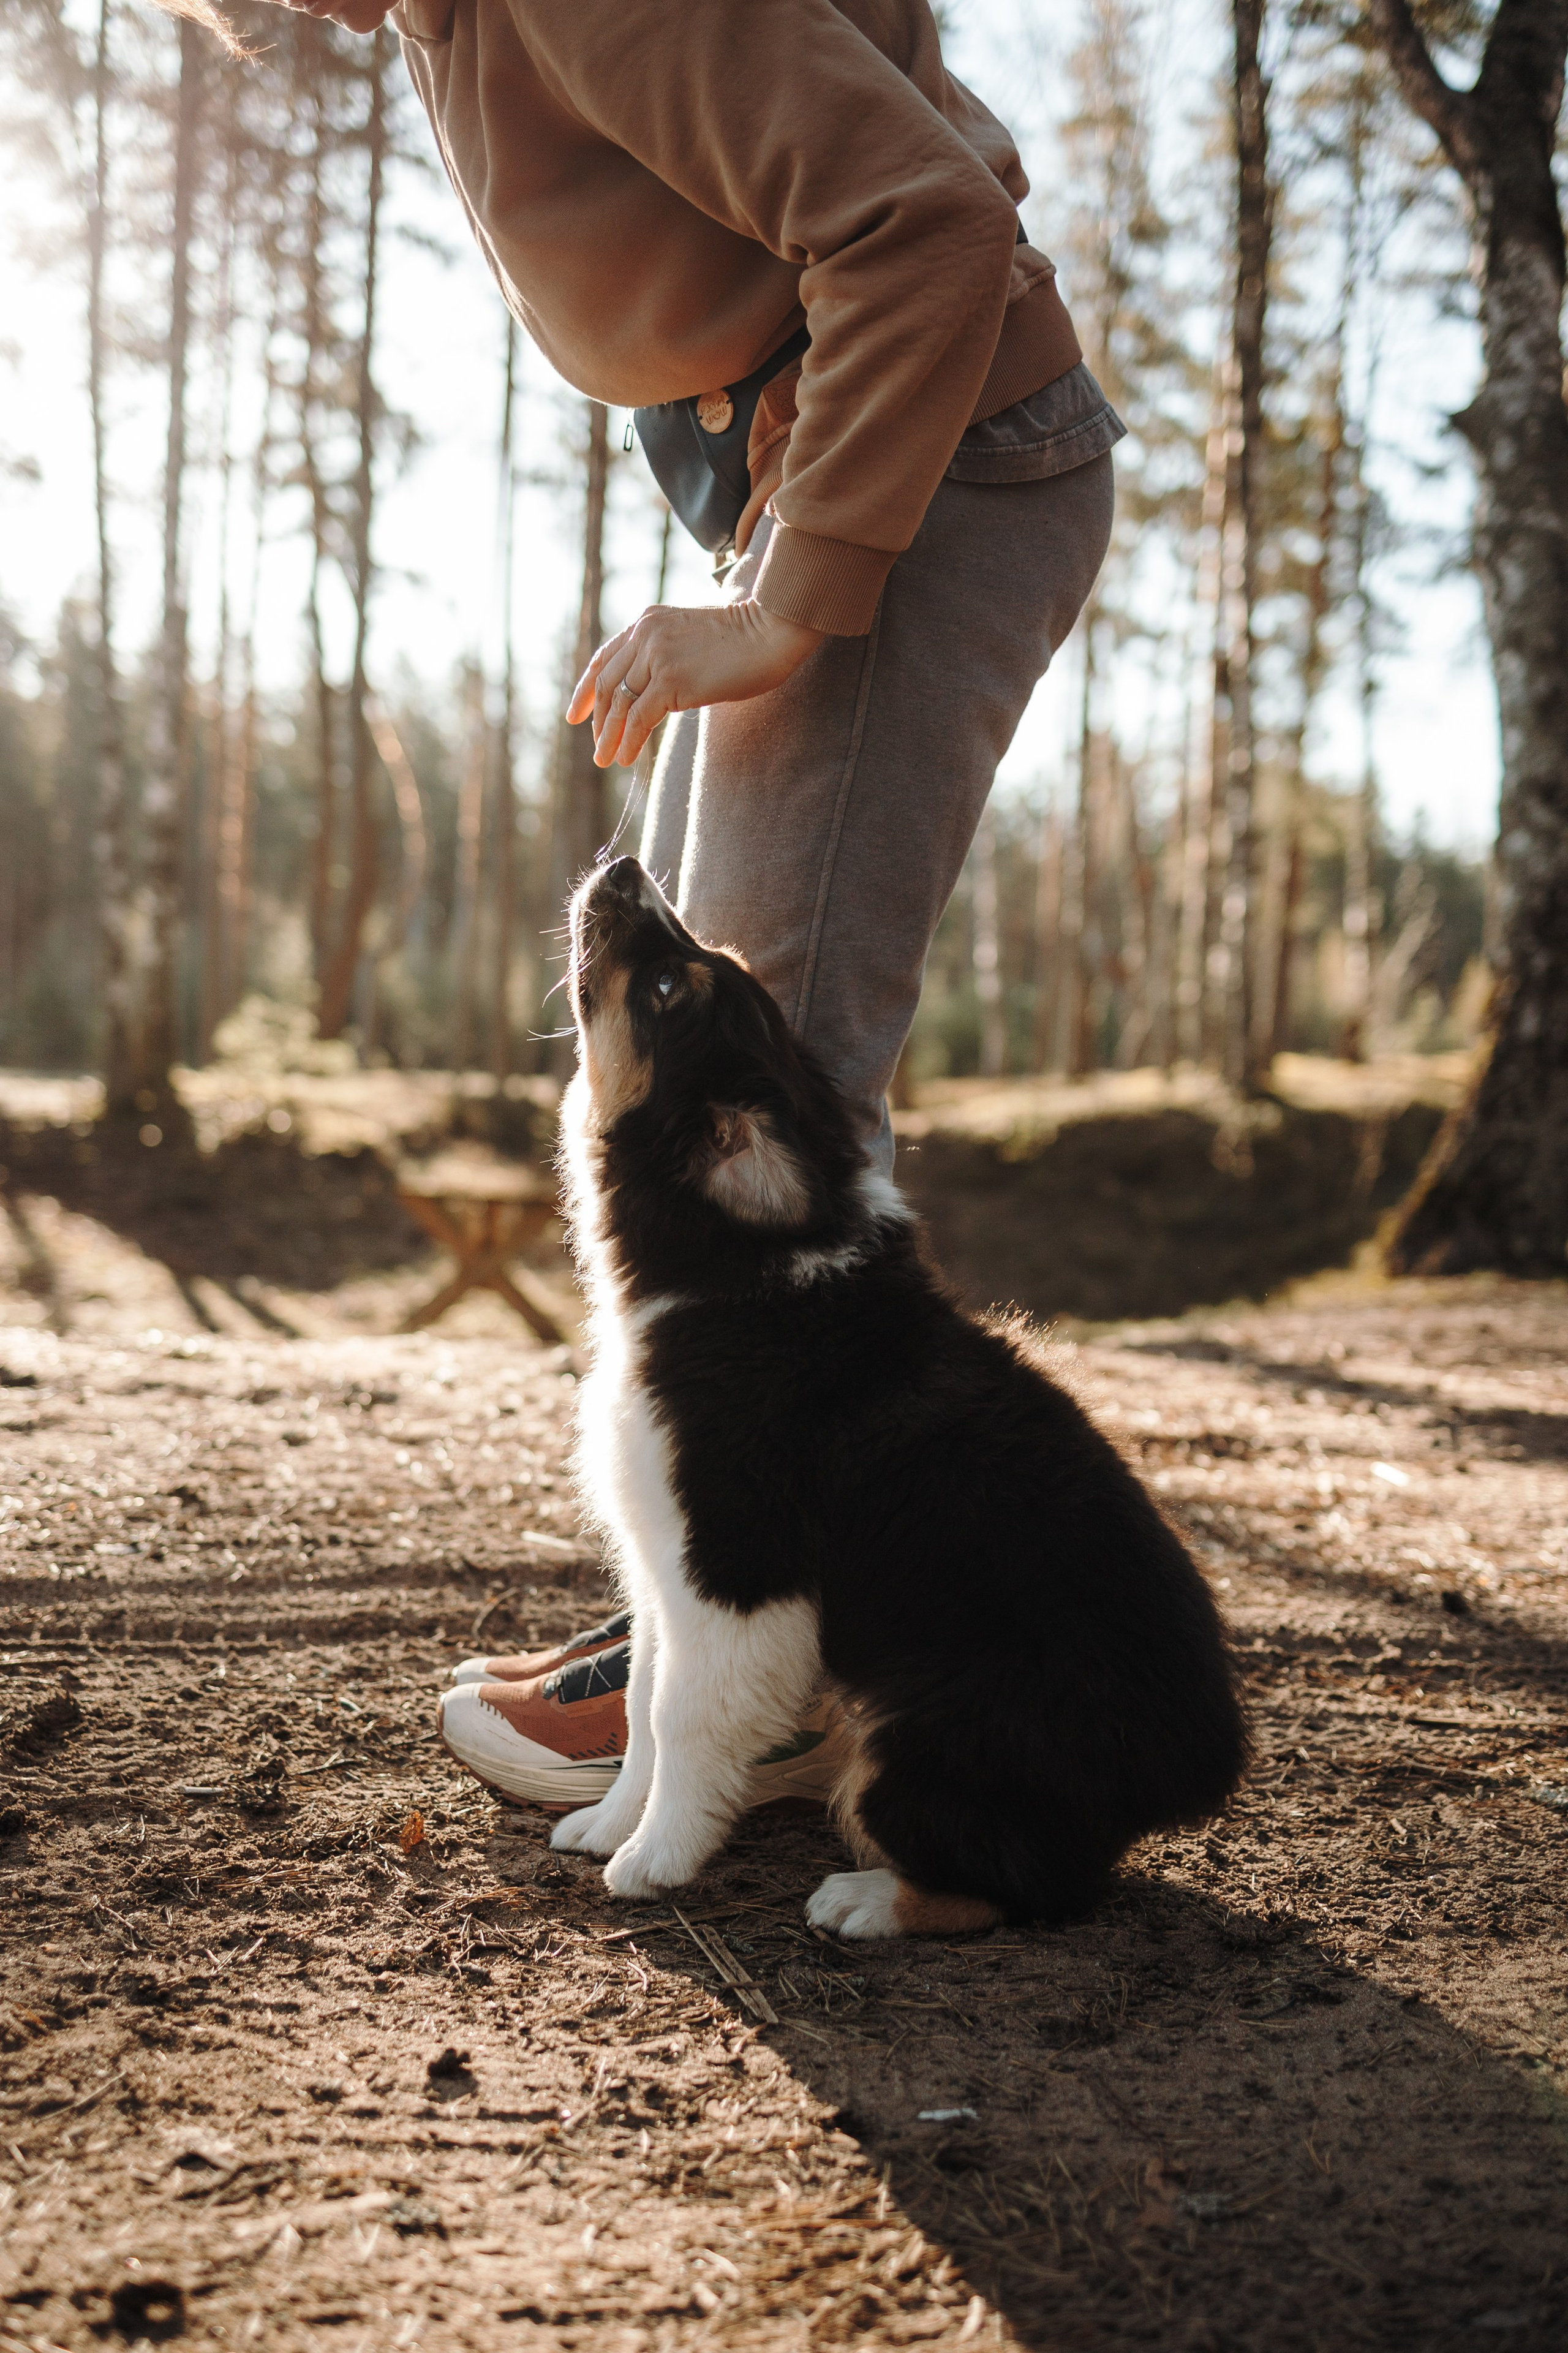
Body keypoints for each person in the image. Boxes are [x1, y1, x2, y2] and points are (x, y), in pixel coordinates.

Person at [249, 0, 1124, 1796]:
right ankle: (731, 1612)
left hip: (931, 466)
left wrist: (791, 600)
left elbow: (927, 217)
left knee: (756, 1078)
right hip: (841, 466)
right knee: (665, 1078)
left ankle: (773, 1661)